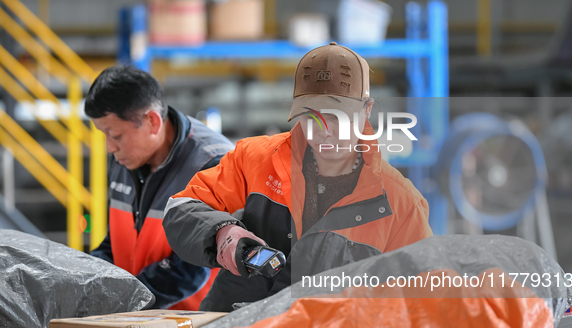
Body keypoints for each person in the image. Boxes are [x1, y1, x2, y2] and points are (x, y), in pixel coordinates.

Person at [163, 42, 433, 312]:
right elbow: (181, 208)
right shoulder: (254, 158)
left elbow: (426, 302)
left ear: (367, 110)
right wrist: (222, 233)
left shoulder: (401, 204)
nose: (323, 131)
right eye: (311, 117)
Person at [85, 65, 234, 310]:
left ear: (153, 122)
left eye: (115, 135)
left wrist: (120, 303)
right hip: (138, 317)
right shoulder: (127, 158)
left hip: (193, 326)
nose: (109, 147)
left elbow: (189, 271)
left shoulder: (212, 165)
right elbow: (116, 244)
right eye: (104, 135)